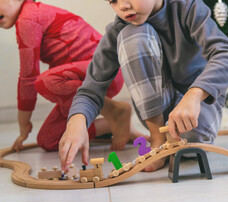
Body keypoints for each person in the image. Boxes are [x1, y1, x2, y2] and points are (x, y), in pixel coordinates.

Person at [59, 0, 228, 172]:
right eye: (113, 0)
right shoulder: (118, 29)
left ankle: (172, 136)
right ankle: (158, 139)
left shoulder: (188, 7)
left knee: (189, 144)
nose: (123, 6)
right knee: (131, 35)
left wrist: (194, 94)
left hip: (197, 102)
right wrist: (77, 120)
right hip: (158, 108)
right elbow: (91, 88)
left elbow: (227, 53)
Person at [0, 0, 140, 156]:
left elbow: (28, 77)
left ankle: (115, 111)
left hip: (104, 72)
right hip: (89, 78)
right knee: (47, 139)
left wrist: (23, 125)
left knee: (44, 82)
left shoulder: (27, 18)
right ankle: (114, 125)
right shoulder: (32, 14)